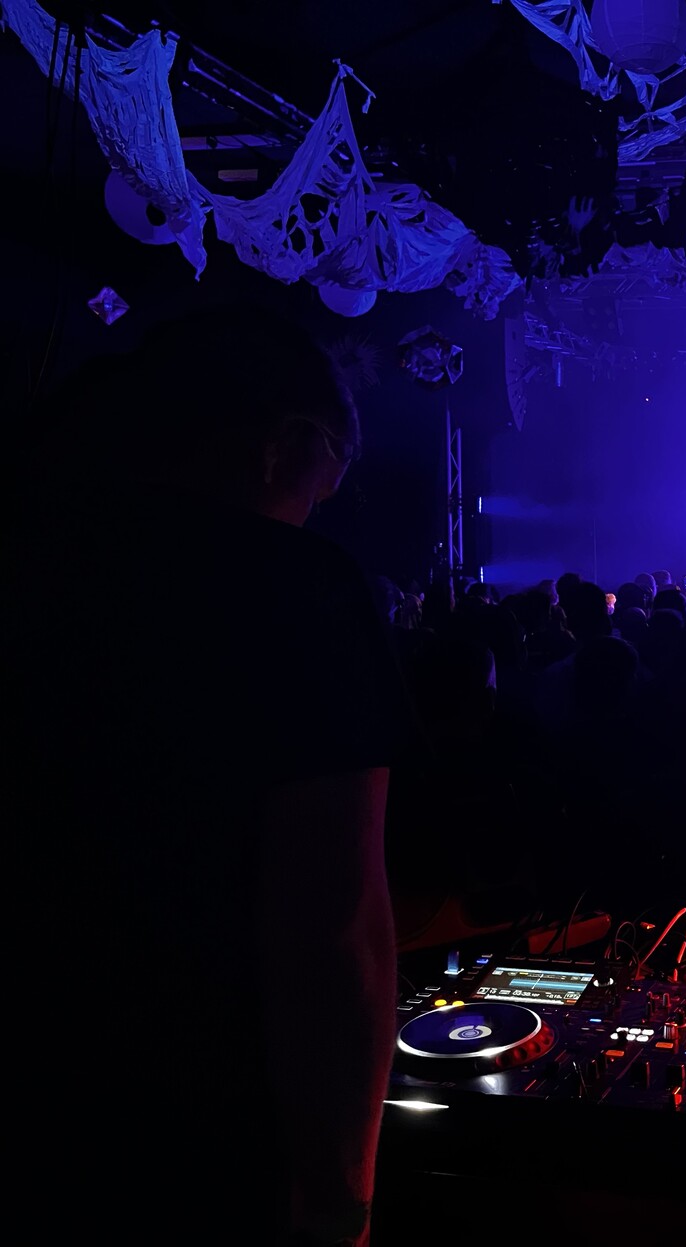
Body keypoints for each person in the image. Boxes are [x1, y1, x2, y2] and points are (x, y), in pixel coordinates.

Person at [7, 307, 403, 1246]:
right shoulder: (290, 585)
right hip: (190, 1125)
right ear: (281, 447)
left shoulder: (35, 552)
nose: (317, 509)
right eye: (322, 483)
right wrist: (340, 1201)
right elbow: (332, 920)